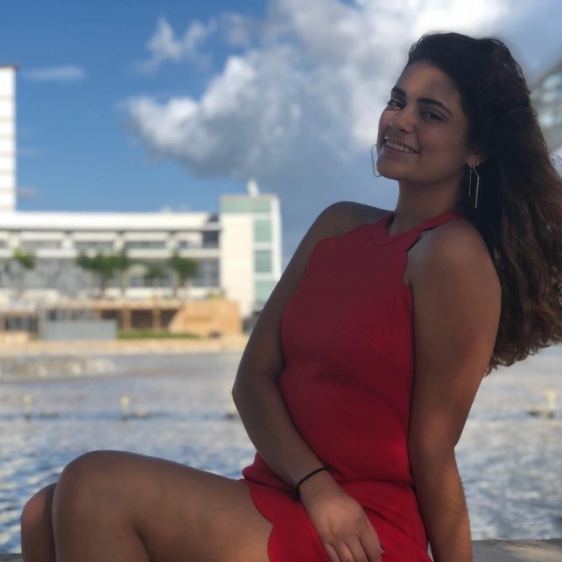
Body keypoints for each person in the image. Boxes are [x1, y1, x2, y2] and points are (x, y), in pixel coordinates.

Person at [20, 32, 562, 562]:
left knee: (95, 484)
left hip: (362, 528)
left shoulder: (452, 254)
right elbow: (251, 379)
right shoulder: (337, 225)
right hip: (294, 493)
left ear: (476, 149)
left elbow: (434, 448)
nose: (400, 120)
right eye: (397, 101)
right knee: (41, 514)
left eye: (431, 113)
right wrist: (314, 483)